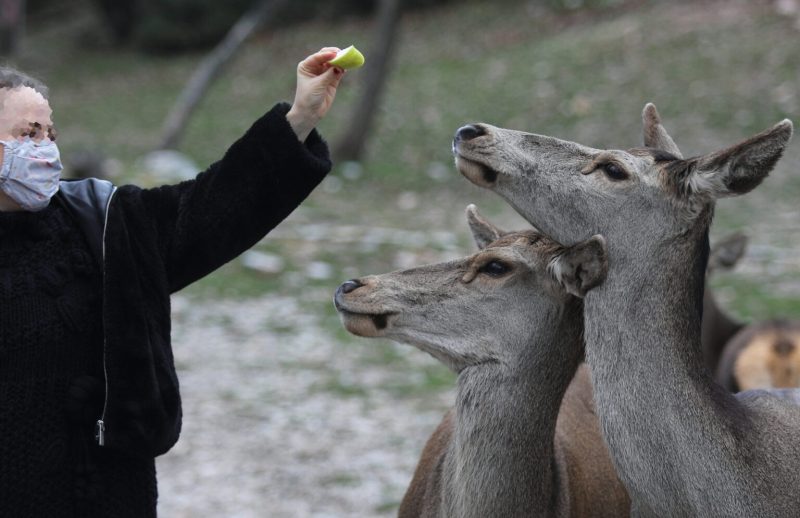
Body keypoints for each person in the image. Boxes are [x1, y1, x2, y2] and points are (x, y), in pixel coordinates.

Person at [0, 47, 346, 517]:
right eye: (28, 133)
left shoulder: (102, 224)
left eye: (50, 133)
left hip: (104, 494)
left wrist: (300, 116)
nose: (44, 148)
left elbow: (212, 205)